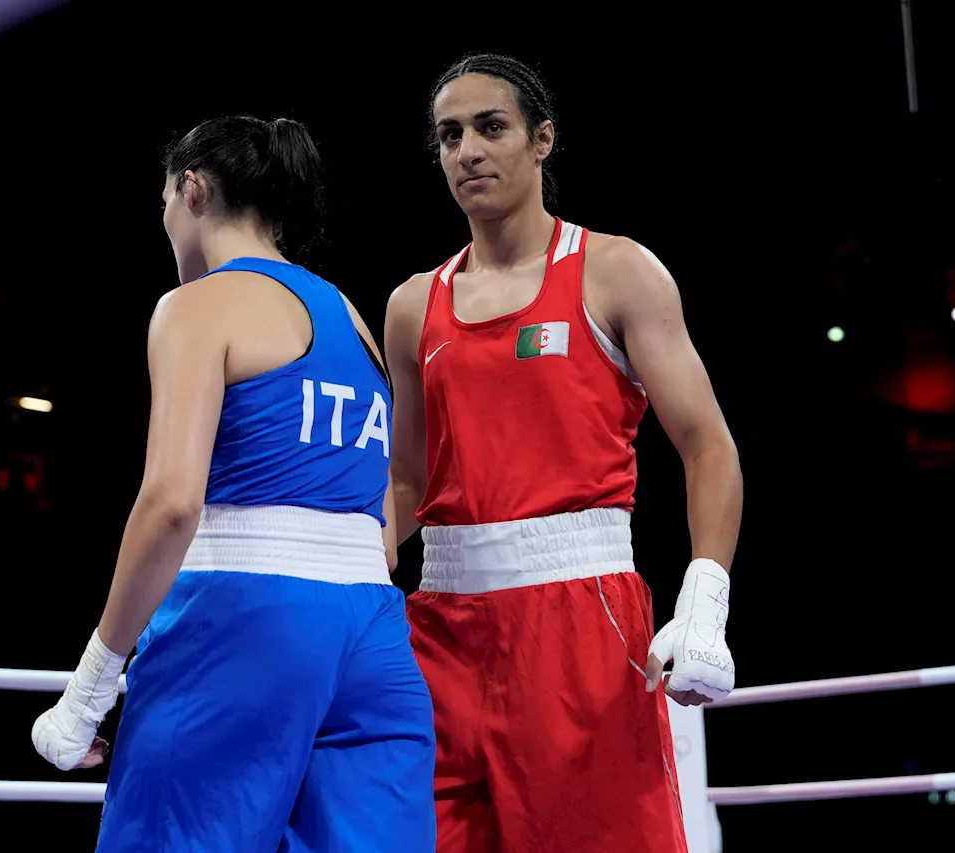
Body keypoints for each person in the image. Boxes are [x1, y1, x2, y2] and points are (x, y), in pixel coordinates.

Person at [31, 114, 437, 852]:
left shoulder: (197, 305)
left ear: (191, 188)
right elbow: (382, 533)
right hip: (374, 636)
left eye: (162, 200)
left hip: (246, 621)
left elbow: (170, 503)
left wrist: (90, 687)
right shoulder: (351, 317)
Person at [384, 54, 743, 852]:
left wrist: (705, 601)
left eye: (490, 127)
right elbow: (408, 478)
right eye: (449, 135)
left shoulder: (617, 271)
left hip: (580, 617)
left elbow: (707, 444)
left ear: (542, 139)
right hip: (439, 626)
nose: (467, 150)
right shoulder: (414, 305)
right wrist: (336, 572)